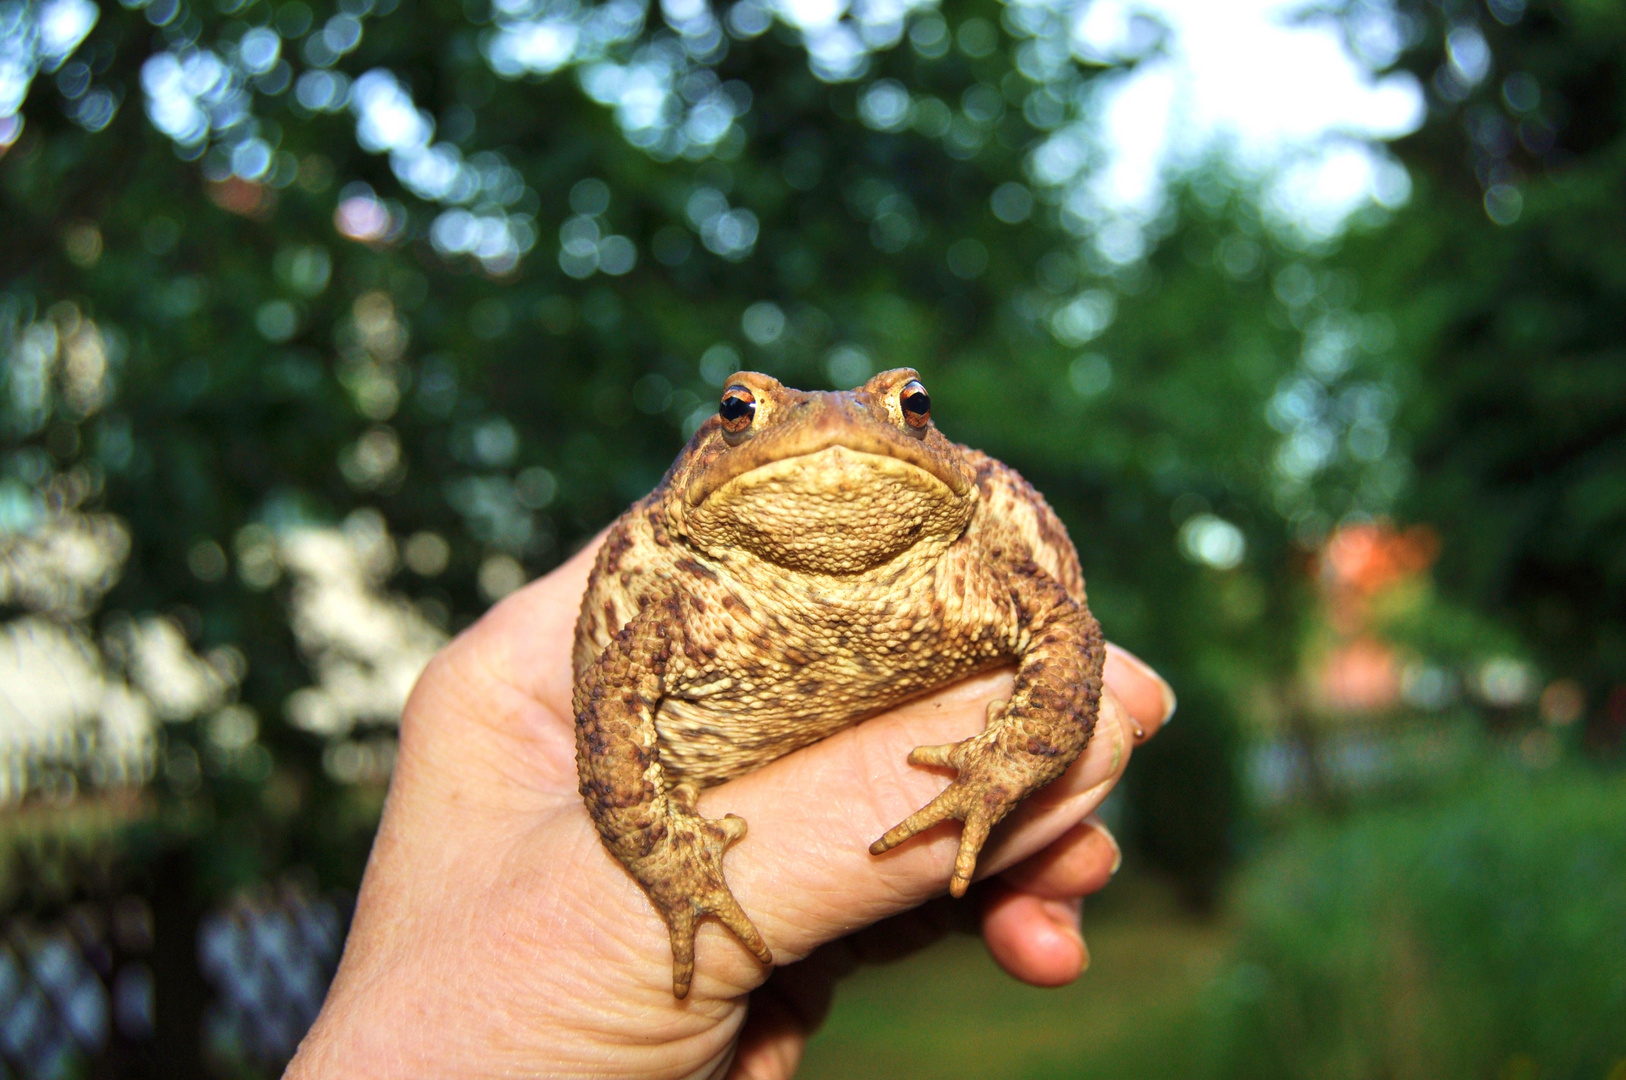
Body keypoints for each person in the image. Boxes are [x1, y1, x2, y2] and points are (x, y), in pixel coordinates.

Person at [284, 535, 1176, 1079]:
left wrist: (1010, 759)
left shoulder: (962, 552)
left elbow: (1066, 630)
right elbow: (610, 702)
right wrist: (669, 855)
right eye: (744, 411)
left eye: (908, 406)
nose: (828, 433)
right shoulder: (687, 580)